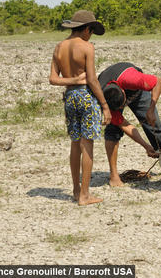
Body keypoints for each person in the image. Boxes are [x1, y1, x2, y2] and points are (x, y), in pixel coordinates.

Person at [49, 10, 111, 205]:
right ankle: (85, 195)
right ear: (86, 29)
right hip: (86, 96)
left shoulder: (59, 47)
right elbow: (92, 79)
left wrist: (71, 80)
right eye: (91, 31)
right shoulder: (87, 47)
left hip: (69, 97)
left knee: (75, 143)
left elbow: (53, 79)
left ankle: (76, 191)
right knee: (88, 144)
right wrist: (104, 105)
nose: (91, 35)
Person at [98, 62, 161, 187]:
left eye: (123, 104)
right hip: (111, 97)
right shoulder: (104, 100)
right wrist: (145, 146)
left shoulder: (132, 80)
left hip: (135, 90)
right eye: (120, 107)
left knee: (153, 122)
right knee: (112, 132)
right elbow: (125, 126)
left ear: (123, 92)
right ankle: (114, 175)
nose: (123, 107)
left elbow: (158, 81)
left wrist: (151, 109)